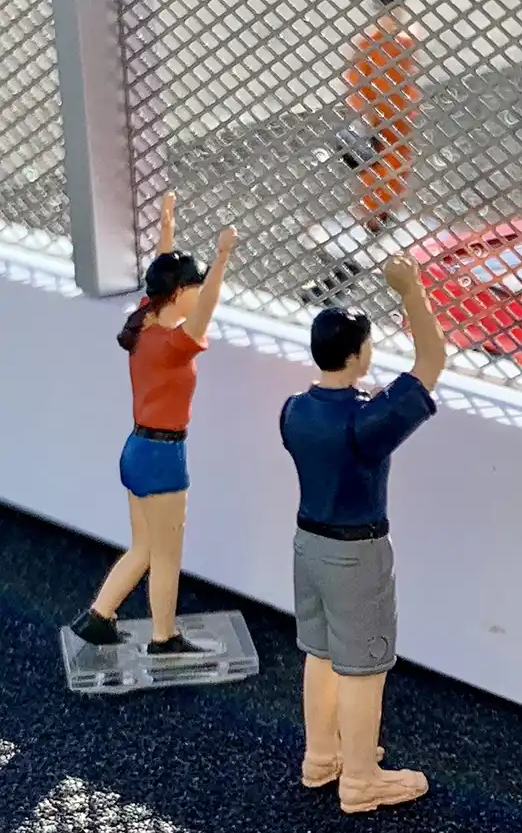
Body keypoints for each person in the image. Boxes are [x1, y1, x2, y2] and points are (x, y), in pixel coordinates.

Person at [279, 251, 446, 815]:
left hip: (307, 544)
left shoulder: (294, 410)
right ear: (357, 354)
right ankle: (360, 778)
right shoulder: (365, 420)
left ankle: (321, 756)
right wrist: (411, 290)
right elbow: (431, 360)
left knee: (320, 653)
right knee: (363, 669)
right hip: (356, 551)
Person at [69, 193, 239, 655]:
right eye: (194, 286)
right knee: (166, 554)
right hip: (163, 455)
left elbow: (162, 272)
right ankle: (164, 636)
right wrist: (222, 257)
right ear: (179, 292)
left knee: (143, 547)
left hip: (137, 449)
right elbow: (207, 308)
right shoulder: (174, 343)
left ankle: (99, 616)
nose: (200, 293)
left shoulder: (146, 320)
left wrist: (167, 230)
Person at [343, 0, 421, 234]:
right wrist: (366, 114)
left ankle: (382, 213)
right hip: (381, 121)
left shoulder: (404, 43)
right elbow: (355, 82)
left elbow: (408, 80)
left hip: (396, 120)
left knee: (393, 168)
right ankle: (372, 216)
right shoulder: (371, 45)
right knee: (380, 169)